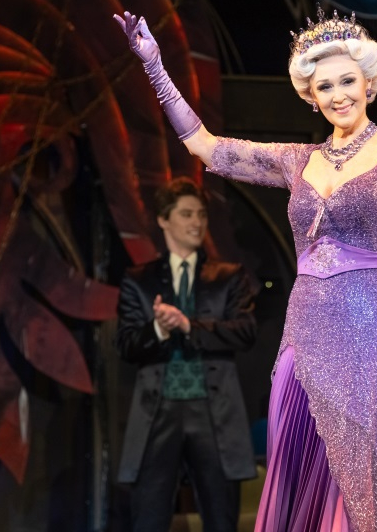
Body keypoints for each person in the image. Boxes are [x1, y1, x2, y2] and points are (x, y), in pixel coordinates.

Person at [113, 6, 377, 531]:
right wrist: (154, 66)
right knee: (304, 464)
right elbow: (207, 148)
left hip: (374, 327)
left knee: (364, 479)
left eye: (347, 81)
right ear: (310, 94)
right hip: (307, 327)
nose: (338, 95)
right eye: (325, 86)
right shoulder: (297, 159)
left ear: (369, 82)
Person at [115, 176, 258, 532]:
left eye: (201, 214)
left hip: (214, 411)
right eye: (186, 214)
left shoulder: (228, 276)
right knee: (148, 518)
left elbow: (245, 331)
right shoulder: (139, 280)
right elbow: (126, 344)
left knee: (221, 518)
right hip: (158, 412)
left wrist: (187, 325)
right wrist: (159, 329)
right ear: (164, 220)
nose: (197, 222)